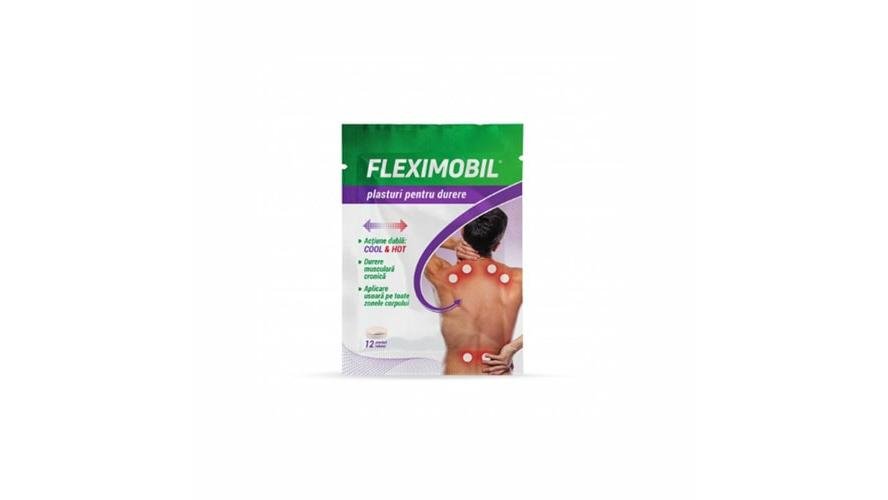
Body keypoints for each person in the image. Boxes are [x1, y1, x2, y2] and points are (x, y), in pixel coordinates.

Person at [424, 208, 524, 375]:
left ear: (463, 232)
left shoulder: (440, 273)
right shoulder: (518, 279)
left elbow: (406, 236)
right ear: (497, 246)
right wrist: (511, 348)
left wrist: (453, 243)